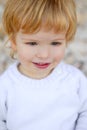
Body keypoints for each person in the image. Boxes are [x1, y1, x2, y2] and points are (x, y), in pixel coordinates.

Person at [0, 0, 87, 130]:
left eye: (55, 43)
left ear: (66, 39)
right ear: (13, 41)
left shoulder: (75, 80)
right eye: (32, 43)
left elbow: (84, 113)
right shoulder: (6, 85)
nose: (44, 55)